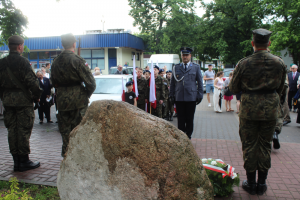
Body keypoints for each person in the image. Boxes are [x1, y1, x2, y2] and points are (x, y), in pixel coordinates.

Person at [229, 29, 286, 196]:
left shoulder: (244, 63)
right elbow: (281, 88)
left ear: (252, 43)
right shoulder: (279, 62)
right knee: (265, 145)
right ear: (269, 43)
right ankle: (262, 184)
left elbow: (233, 88)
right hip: (270, 110)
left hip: (249, 110)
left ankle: (251, 183)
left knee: (249, 145)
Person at [0, 35, 43, 172]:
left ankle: (16, 162)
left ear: (9, 46)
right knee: (23, 130)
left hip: (8, 101)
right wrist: (37, 97)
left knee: (12, 130)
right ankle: (24, 161)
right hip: (23, 101)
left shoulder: (2, 63)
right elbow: (33, 83)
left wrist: (4, 96)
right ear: (20, 46)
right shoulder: (23, 62)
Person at [51, 33, 96, 157]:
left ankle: (66, 157)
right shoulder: (78, 60)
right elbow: (91, 83)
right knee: (79, 130)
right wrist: (85, 94)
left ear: (62, 44)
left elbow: (53, 82)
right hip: (78, 101)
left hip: (62, 100)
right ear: (74, 44)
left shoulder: (55, 61)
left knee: (65, 133)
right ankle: (79, 158)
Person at [169, 47, 203, 139]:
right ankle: (181, 137)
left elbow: (200, 82)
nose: (185, 57)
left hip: (191, 97)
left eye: (186, 55)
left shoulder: (196, 67)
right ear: (181, 56)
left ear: (190, 56)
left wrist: (200, 95)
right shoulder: (176, 67)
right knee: (180, 119)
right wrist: (171, 95)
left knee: (189, 118)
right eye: (183, 55)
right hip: (179, 97)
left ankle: (188, 136)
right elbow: (172, 83)